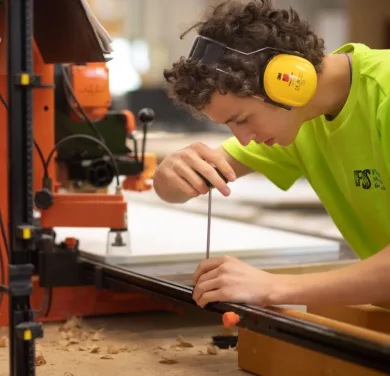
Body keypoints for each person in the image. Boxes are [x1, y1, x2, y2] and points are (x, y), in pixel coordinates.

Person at [153, 0, 390, 309]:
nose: (243, 139)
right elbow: (177, 189)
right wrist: (170, 174)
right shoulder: (298, 118)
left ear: (289, 80)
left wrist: (274, 287)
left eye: (241, 119)